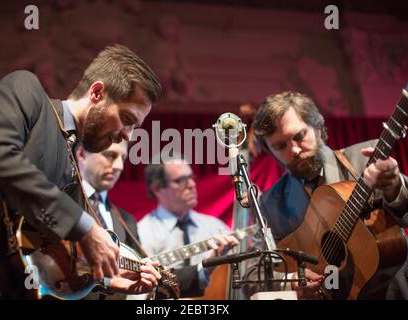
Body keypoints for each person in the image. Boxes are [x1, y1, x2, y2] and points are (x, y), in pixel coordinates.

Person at [0, 44, 162, 299]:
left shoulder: (73, 164)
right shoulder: (25, 87)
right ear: (97, 92)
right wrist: (85, 227)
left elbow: (63, 258)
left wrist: (108, 279)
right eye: (127, 119)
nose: (127, 135)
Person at [251, 90, 408, 299]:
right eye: (281, 146)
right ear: (270, 152)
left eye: (299, 136)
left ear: (317, 127)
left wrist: (394, 186)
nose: (295, 150)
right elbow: (264, 272)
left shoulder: (366, 159)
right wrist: (290, 281)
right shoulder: (271, 203)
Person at [77, 142, 238, 297]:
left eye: (123, 158)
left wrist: (205, 267)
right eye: (110, 155)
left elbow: (150, 281)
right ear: (81, 154)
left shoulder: (127, 221)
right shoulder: (64, 205)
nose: (119, 165)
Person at [138, 158, 239, 295]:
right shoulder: (143, 232)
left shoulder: (214, 226)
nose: (191, 184)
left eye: (191, 177)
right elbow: (146, 288)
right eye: (180, 180)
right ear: (157, 189)